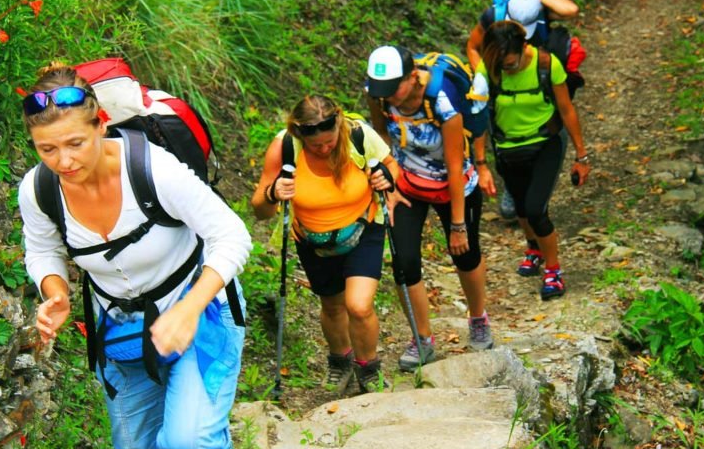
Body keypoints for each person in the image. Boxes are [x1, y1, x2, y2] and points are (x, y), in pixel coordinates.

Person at [19, 63, 251, 449]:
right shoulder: (39, 189)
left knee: (189, 442)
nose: (63, 161)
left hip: (199, 305)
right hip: (119, 326)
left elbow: (232, 235)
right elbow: (42, 248)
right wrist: (56, 291)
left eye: (75, 143)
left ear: (101, 125)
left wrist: (187, 311)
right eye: (47, 149)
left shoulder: (151, 169)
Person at [251, 96, 399, 394]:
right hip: (312, 239)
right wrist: (272, 193)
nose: (324, 149)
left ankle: (368, 369)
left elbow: (392, 166)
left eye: (329, 141)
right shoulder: (284, 148)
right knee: (332, 306)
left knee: (358, 305)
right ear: (299, 135)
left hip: (362, 228)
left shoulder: (358, 135)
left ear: (339, 126)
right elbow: (259, 210)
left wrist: (386, 179)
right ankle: (339, 360)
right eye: (316, 145)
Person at [365, 45, 495, 370]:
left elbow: (453, 165)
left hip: (454, 184)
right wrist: (388, 179)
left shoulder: (442, 101)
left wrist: (457, 225)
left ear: (412, 77)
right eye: (382, 91)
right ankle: (422, 338)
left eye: (394, 89)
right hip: (408, 183)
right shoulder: (379, 94)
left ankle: (478, 317)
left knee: (465, 254)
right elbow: (380, 136)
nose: (388, 97)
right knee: (404, 262)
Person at [480, 21, 590, 300]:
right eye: (502, 65)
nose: (507, 69)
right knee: (520, 207)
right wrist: (480, 163)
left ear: (522, 47)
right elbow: (478, 116)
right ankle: (533, 248)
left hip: (545, 143)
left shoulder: (545, 64)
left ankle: (554, 271)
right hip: (507, 148)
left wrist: (582, 155)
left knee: (536, 209)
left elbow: (566, 109)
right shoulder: (489, 69)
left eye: (510, 62)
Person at [466, 0, 580, 226]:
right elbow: (472, 47)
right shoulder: (492, 19)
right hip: (501, 78)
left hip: (533, 75)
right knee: (500, 124)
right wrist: (484, 76)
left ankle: (539, 181)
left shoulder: (538, 13)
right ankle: (512, 185)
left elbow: (571, 9)